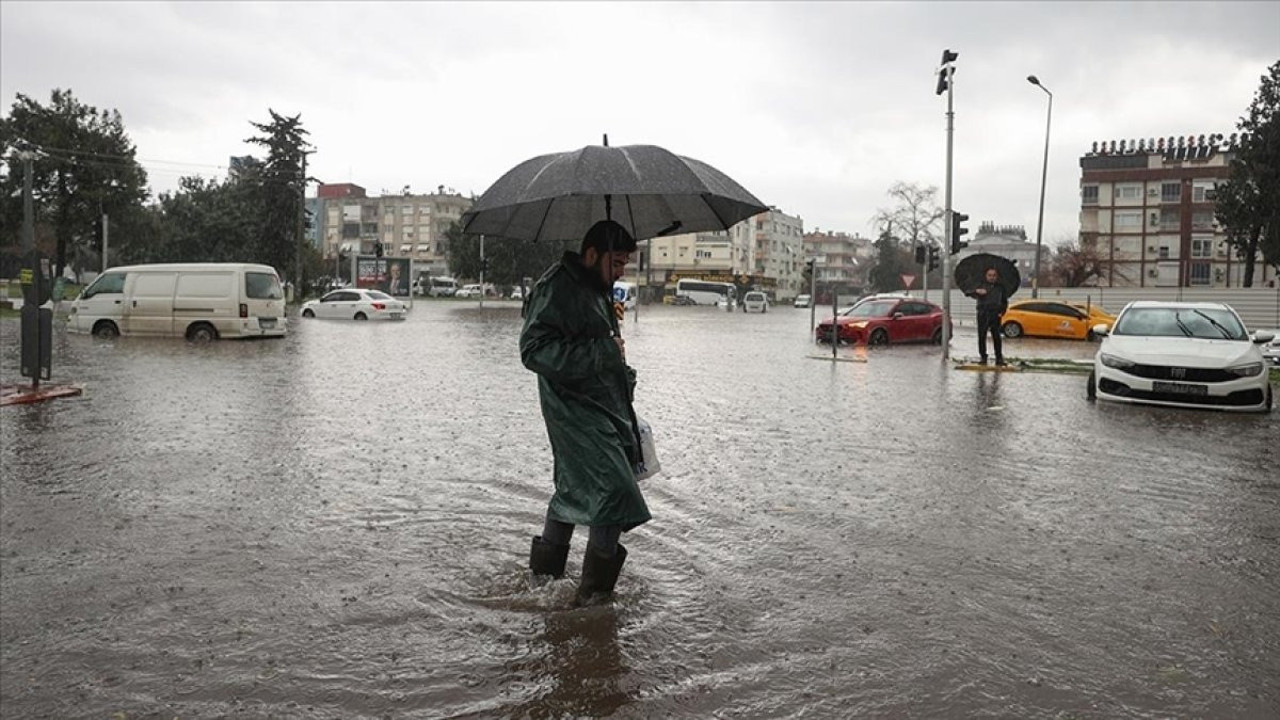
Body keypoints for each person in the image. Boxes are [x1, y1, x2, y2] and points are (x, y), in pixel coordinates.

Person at [519, 219, 649, 606]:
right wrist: (605, 353)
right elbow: (534, 351)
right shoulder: (557, 287)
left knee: (574, 489)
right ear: (592, 255)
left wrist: (621, 371)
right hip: (573, 410)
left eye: (626, 263)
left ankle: (543, 583)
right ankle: (593, 601)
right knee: (613, 492)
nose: (622, 270)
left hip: (603, 407)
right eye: (617, 261)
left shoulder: (597, 288)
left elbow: (599, 345)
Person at [966, 266, 1008, 365]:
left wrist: (1001, 312)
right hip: (983, 313)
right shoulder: (980, 285)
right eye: (989, 275)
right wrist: (976, 291)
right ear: (986, 276)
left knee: (996, 336)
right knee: (982, 336)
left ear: (996, 277)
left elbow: (1004, 301)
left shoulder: (1000, 287)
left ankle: (999, 358)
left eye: (994, 275)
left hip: (995, 314)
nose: (992, 277)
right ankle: (983, 357)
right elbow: (967, 292)